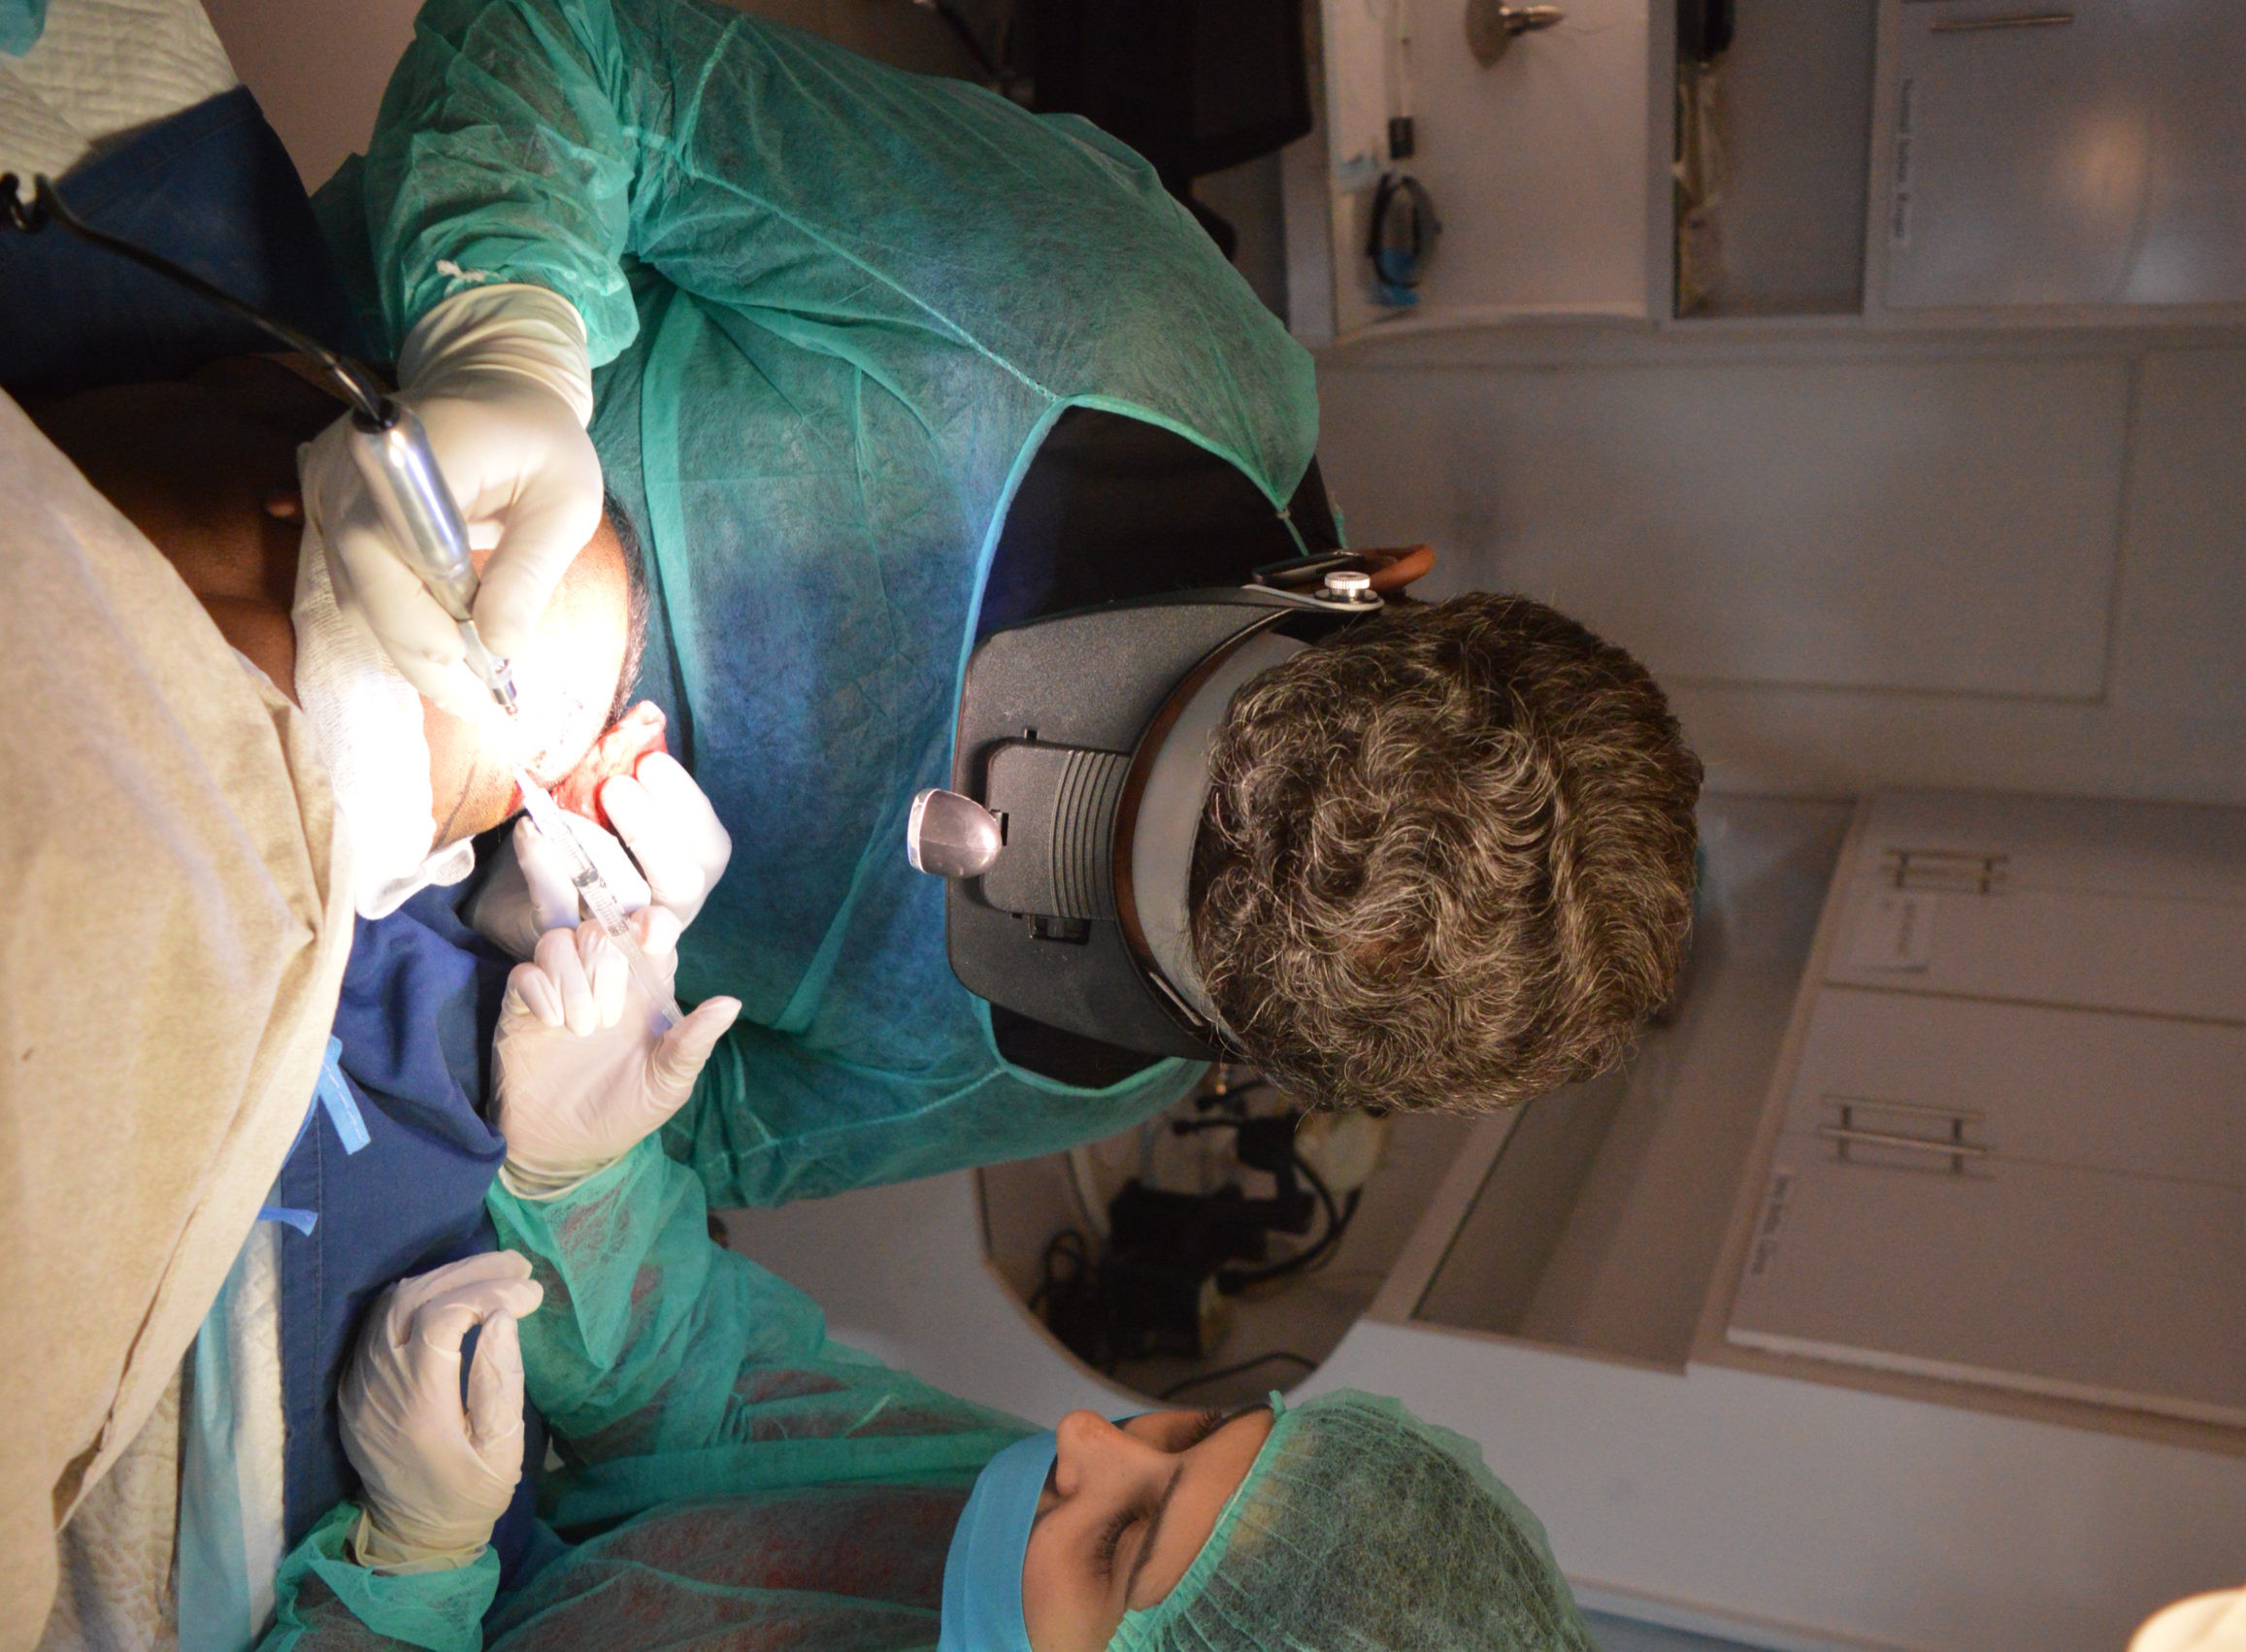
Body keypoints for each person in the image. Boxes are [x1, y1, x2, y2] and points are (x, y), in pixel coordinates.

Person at [309, 0, 1704, 1212]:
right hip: (299, 381)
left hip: (344, 934)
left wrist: (577, 1122)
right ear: (1366, 583)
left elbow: (694, 1153)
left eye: (1142, 926)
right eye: (1156, 732)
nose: (977, 828)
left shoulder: (1080, 1068)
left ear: (1238, 1048)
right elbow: (578, 54)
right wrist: (500, 333)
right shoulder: (1123, 334)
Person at [254, 913, 1601, 1649]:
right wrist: (585, 1180)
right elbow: (720, 1409)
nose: (1086, 1439)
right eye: (1186, 1432)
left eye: (1125, 1543)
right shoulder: (1006, 1535)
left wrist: (409, 1575)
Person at [15, 350, 741, 1650]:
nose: (511, 721)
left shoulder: (432, 976)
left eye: (553, 731)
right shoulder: (194, 566)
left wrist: (413, 1557)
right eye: (494, 629)